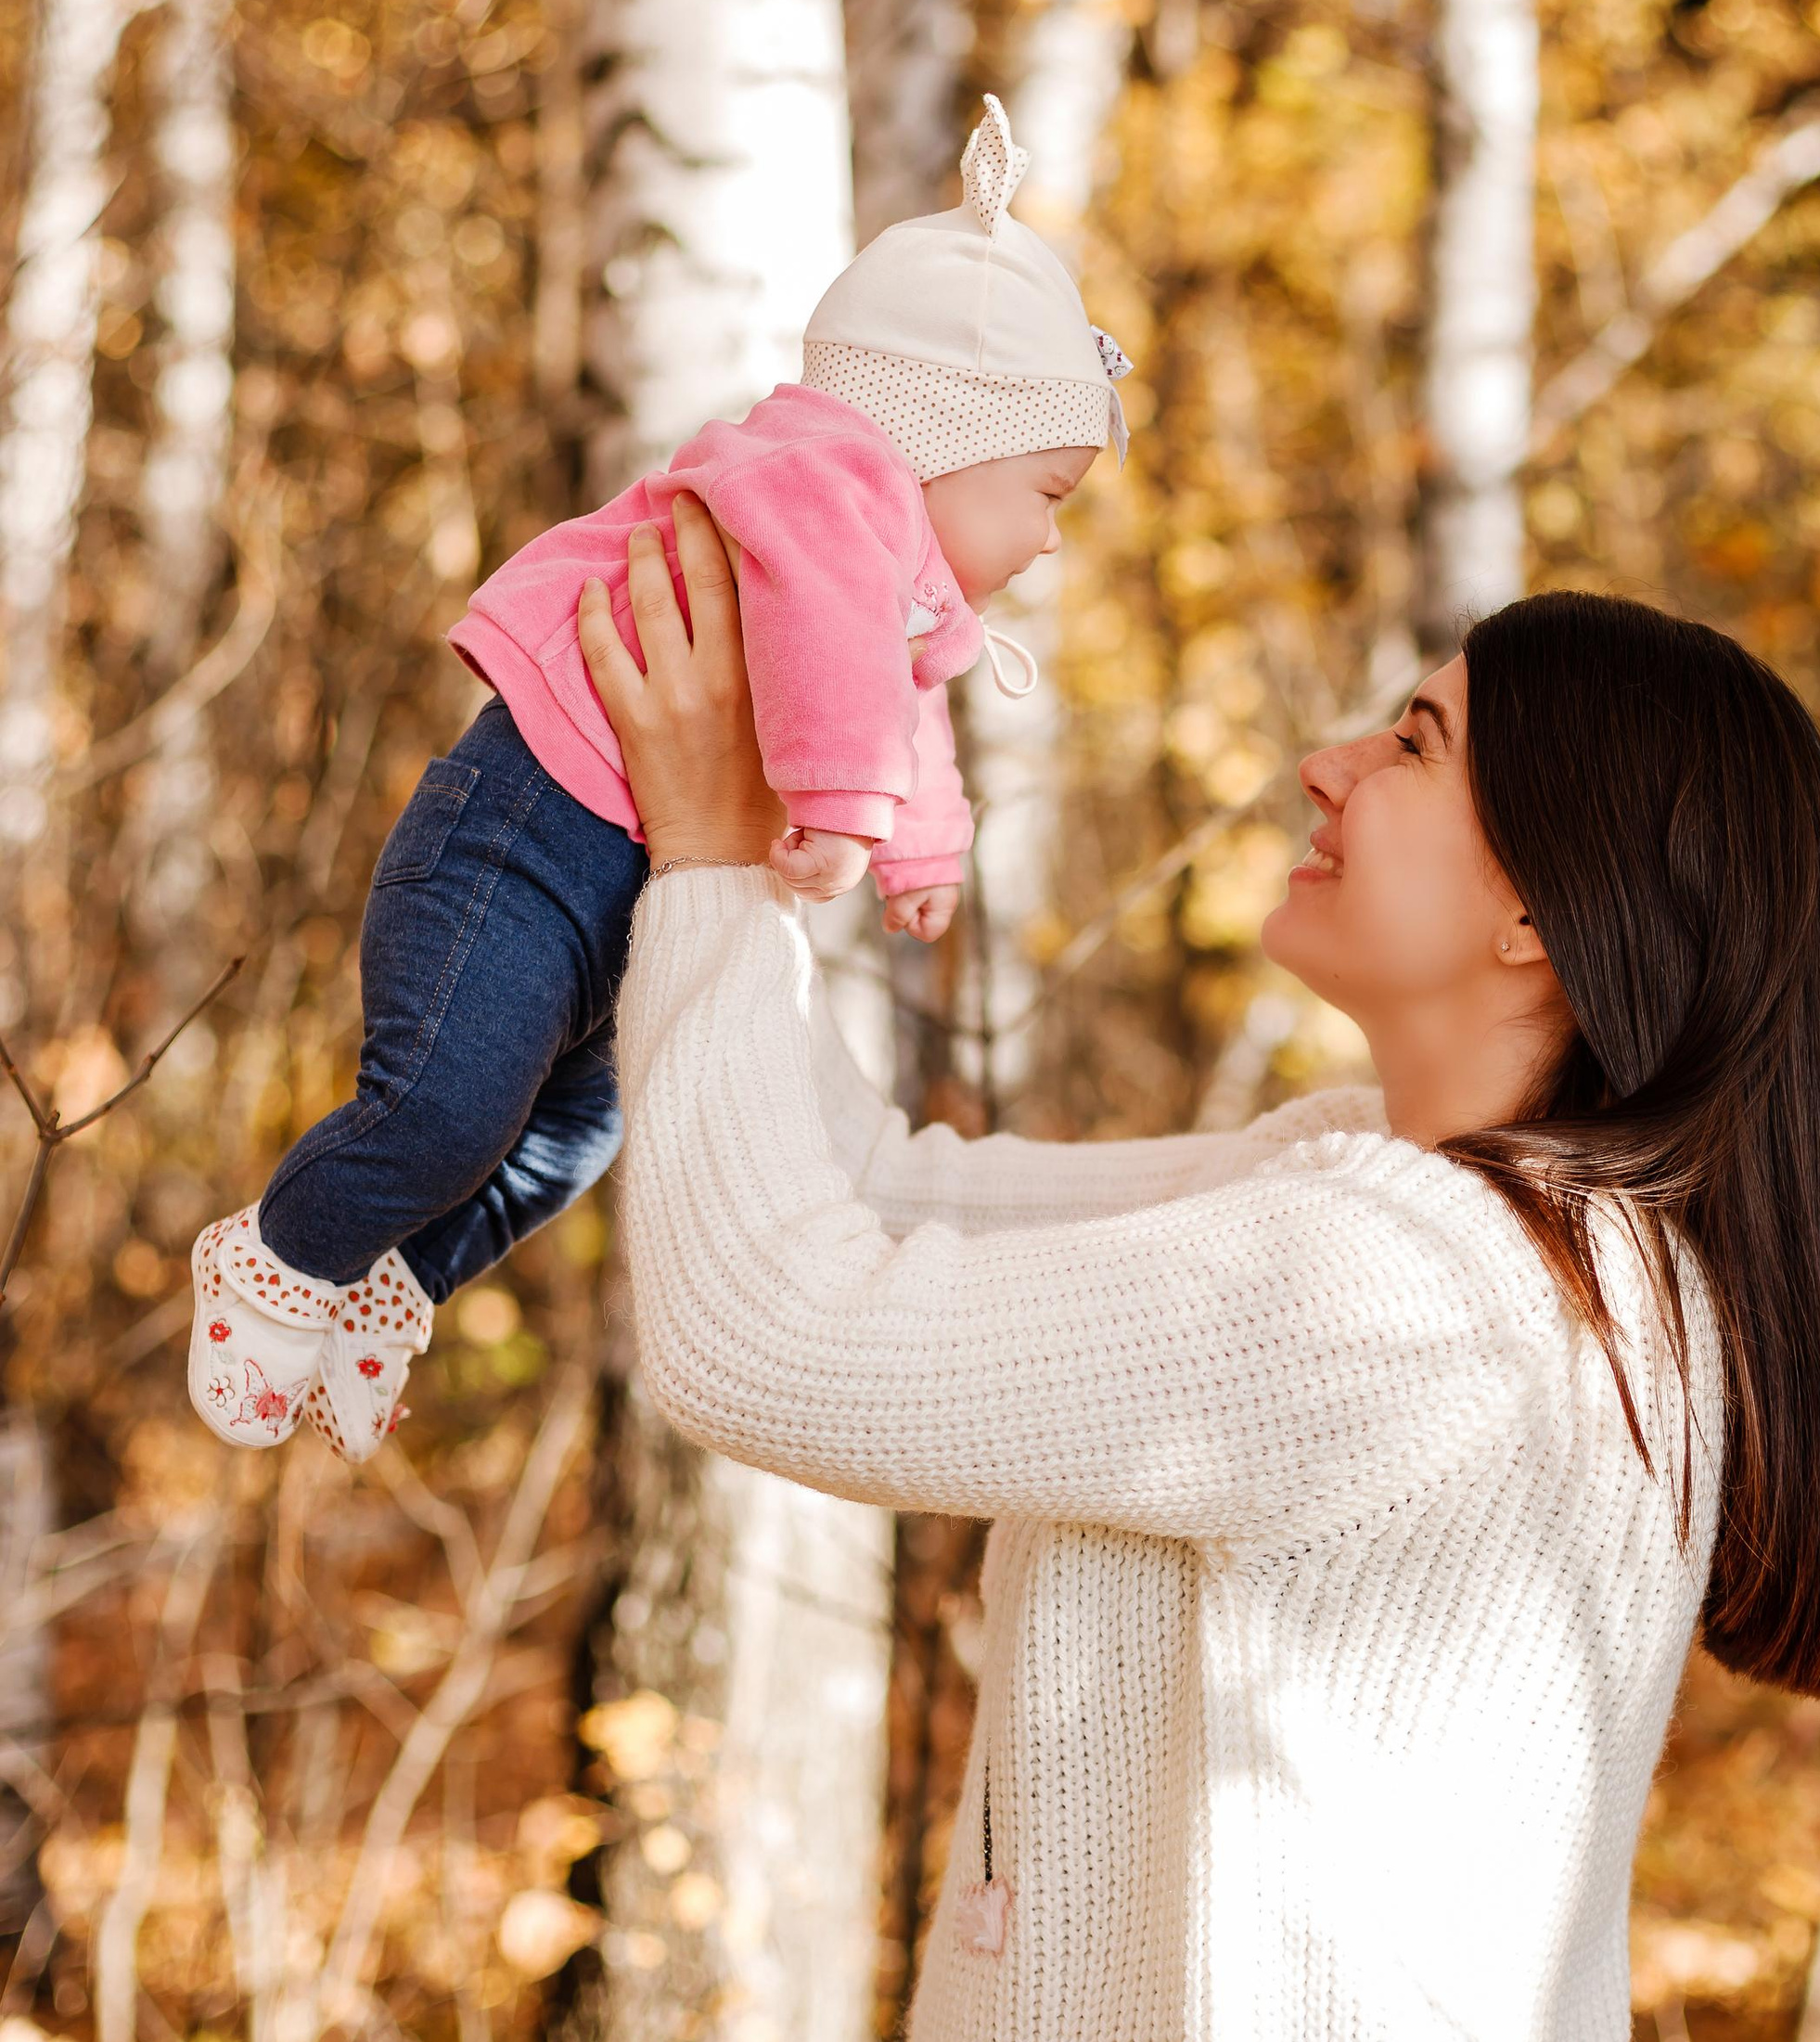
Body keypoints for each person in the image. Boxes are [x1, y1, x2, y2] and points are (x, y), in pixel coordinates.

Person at [580, 501, 1820, 2042]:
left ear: (1538, 908)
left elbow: (758, 1328)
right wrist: (765, 871)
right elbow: (890, 1197)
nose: (1326, 763)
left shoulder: (1401, 1286)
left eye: (1409, 743)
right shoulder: (1466, 1222)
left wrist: (695, 859)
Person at [185, 100, 1131, 1461]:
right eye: (1046, 492)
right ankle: (280, 1253)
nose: (1049, 540)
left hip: (625, 897)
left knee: (568, 1145)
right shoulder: (819, 481)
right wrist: (849, 811)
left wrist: (920, 850)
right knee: (445, 1106)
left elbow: (894, 697)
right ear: (941, 432)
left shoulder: (898, 563)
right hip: (524, 843)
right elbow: (822, 645)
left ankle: (394, 1277)